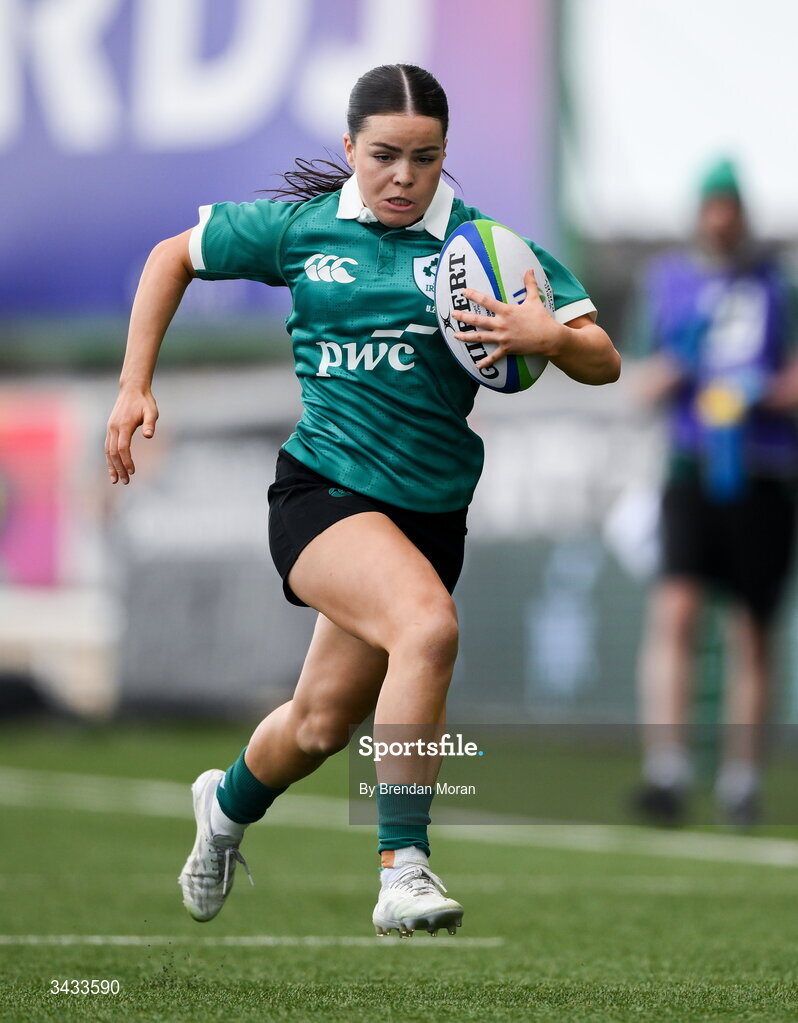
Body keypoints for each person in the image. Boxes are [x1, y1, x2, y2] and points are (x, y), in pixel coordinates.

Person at [105, 64, 620, 936]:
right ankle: (402, 868)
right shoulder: (304, 230)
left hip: (429, 515)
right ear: (350, 149)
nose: (403, 177)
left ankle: (224, 807)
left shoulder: (482, 245)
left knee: (316, 724)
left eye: (424, 158)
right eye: (383, 156)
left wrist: (550, 338)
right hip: (322, 491)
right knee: (428, 628)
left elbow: (601, 355)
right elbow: (171, 258)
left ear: (445, 155)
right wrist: (132, 386)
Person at [630, 158, 798, 827]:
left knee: (751, 628)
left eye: (731, 205)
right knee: (675, 613)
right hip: (692, 468)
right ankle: (666, 769)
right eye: (712, 205)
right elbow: (640, 382)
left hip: (762, 470)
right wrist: (682, 364)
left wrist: (757, 390)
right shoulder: (667, 283)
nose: (721, 218)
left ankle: (740, 779)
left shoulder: (777, 285)